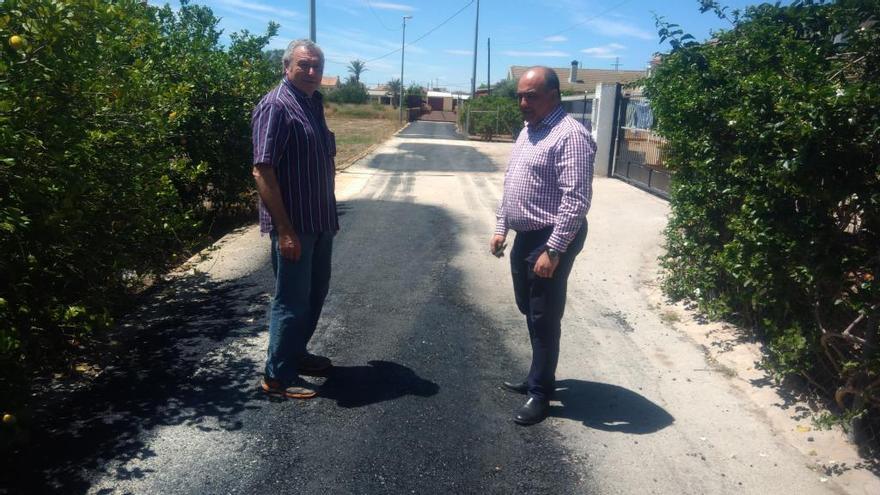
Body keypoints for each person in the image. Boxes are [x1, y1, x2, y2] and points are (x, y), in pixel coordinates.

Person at [490, 66, 596, 425]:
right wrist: (501, 227)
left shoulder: (570, 135)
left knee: (543, 314)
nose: (522, 102)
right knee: (528, 306)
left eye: (530, 96)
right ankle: (540, 372)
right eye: (520, 95)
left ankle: (540, 392)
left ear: (553, 95)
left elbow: (576, 199)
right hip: (526, 235)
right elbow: (512, 183)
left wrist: (554, 250)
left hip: (553, 235)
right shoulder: (528, 131)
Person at [252, 39, 338, 399]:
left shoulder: (312, 103)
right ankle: (277, 378)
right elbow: (262, 171)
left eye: (316, 65)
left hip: (320, 221)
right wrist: (285, 231)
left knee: (314, 294)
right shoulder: (276, 106)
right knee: (290, 300)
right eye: (304, 65)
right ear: (287, 67)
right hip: (295, 226)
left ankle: (296, 353)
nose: (312, 72)